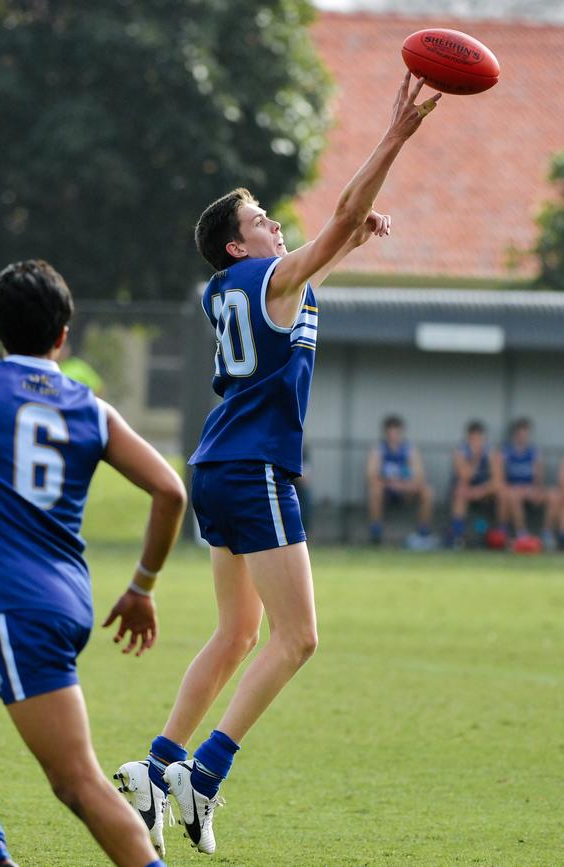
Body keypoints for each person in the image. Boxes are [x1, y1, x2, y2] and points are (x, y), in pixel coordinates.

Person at [114, 73, 441, 857]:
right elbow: (334, 223)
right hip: (255, 465)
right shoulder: (269, 278)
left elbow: (312, 269)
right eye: (262, 220)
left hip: (216, 465)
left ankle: (157, 768)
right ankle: (206, 773)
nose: (276, 225)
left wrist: (349, 241)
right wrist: (393, 137)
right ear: (238, 245)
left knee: (237, 633)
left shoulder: (234, 289)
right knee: (297, 640)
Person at [0, 260, 186, 867]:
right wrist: (141, 587)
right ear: (63, 335)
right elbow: (171, 491)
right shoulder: (92, 409)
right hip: (65, 604)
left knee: (78, 785)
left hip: (22, 614)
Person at [366, 414, 435, 549]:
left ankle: (423, 533)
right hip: (387, 490)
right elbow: (371, 476)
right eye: (390, 433)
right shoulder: (378, 449)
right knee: (375, 490)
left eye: (396, 432)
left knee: (427, 491)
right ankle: (376, 533)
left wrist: (403, 486)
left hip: (406, 490)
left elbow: (419, 476)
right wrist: (390, 484)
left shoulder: (409, 449)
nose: (393, 436)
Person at [496, 417, 560, 548]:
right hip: (513, 488)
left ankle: (546, 533)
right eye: (520, 433)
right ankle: (522, 534)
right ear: (515, 434)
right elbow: (500, 475)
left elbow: (538, 475)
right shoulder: (506, 450)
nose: (523, 437)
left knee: (555, 495)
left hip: (530, 489)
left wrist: (536, 489)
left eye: (526, 433)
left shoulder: (533, 451)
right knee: (513, 495)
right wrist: (516, 488)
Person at [447, 420, 501, 547]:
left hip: (485, 492)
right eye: (473, 438)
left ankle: (495, 534)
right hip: (466, 491)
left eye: (479, 438)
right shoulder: (460, 452)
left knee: (501, 494)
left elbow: (498, 480)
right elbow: (464, 475)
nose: (476, 442)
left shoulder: (491, 452)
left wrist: (480, 491)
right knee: (460, 493)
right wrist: (476, 459)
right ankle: (458, 536)